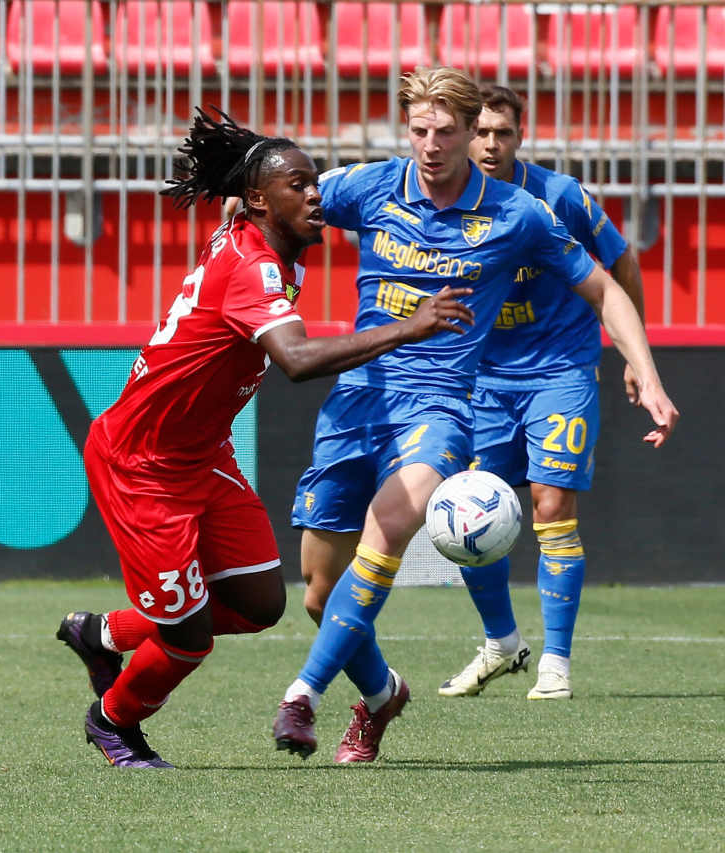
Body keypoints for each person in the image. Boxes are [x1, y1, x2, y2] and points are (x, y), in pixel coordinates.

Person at [272, 67, 679, 763]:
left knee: (391, 524)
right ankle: (382, 694)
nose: (431, 145)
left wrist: (646, 369)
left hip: (441, 402)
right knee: (318, 593)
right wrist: (245, 207)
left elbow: (606, 288)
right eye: (419, 130)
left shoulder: (519, 213)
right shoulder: (369, 186)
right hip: (358, 397)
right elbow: (283, 207)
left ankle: (302, 694)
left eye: (445, 131)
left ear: (469, 132)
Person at [55, 106, 475, 769]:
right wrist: (409, 327)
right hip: (141, 466)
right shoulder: (253, 265)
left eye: (315, 183)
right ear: (258, 200)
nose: (315, 196)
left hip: (202, 456)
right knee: (188, 640)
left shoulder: (263, 241)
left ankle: (104, 633)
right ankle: (113, 722)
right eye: (298, 185)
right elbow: (297, 360)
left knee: (259, 604)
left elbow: (252, 220)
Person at [437, 85, 650, 702]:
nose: (490, 144)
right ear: (464, 136)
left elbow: (620, 266)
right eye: (481, 133)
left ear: (520, 137)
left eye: (502, 133)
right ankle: (501, 643)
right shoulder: (444, 200)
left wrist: (635, 354)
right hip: (481, 379)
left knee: (551, 506)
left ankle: (555, 662)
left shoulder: (561, 197)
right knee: (467, 511)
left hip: (560, 369)